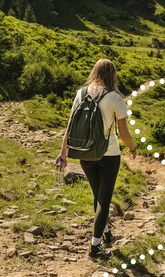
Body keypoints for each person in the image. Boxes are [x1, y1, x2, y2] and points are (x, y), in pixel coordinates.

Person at [55, 59, 137, 260]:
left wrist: (63, 153)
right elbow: (124, 133)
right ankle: (95, 247)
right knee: (104, 198)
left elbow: (70, 125)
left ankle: (106, 232)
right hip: (108, 155)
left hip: (85, 153)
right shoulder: (115, 98)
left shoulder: (81, 93)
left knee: (97, 195)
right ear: (113, 75)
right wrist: (132, 148)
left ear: (95, 72)